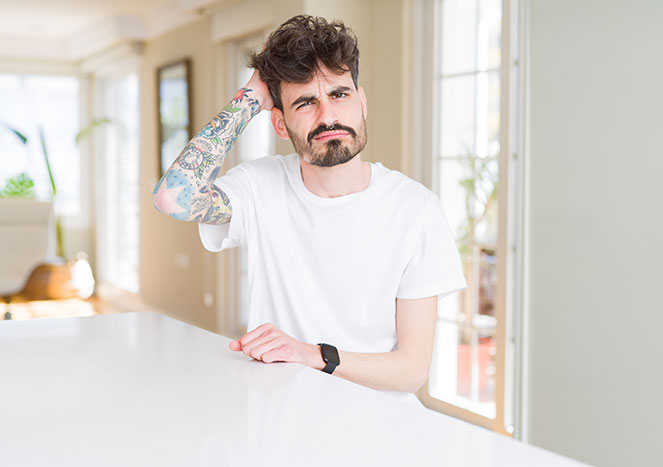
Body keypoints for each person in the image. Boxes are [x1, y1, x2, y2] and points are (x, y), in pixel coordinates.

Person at [152, 15, 466, 406]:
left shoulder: (416, 209)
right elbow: (173, 198)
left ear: (361, 102)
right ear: (280, 124)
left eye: (339, 95)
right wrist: (250, 97)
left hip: (382, 431)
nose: (328, 116)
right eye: (305, 102)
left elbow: (411, 371)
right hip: (280, 420)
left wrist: (311, 354)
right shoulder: (259, 187)